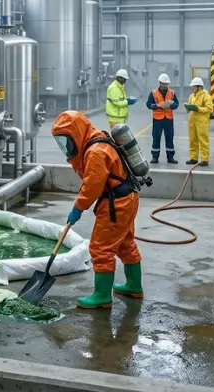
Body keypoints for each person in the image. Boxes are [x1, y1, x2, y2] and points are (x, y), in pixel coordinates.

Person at [53, 110, 143, 309]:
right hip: (126, 198)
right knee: (125, 243)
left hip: (116, 204)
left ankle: (102, 296)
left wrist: (78, 208)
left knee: (100, 248)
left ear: (76, 133)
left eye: (67, 140)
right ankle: (134, 286)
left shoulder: (95, 152)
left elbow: (92, 186)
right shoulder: (97, 142)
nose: (67, 146)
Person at [146, 73, 178, 164]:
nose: (164, 85)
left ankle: (170, 157)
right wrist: (157, 105)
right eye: (163, 84)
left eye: (166, 84)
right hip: (157, 119)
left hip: (168, 119)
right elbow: (148, 104)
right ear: (159, 83)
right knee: (156, 137)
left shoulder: (172, 93)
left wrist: (171, 105)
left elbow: (176, 104)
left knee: (169, 138)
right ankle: (155, 157)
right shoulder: (153, 93)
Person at [186, 77, 213, 166]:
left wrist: (198, 109)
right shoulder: (191, 96)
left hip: (201, 122)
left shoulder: (206, 96)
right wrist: (188, 108)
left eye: (193, 87)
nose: (192, 88)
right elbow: (189, 107)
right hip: (192, 122)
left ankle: (205, 159)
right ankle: (193, 158)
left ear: (199, 87)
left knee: (203, 140)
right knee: (192, 140)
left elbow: (209, 109)